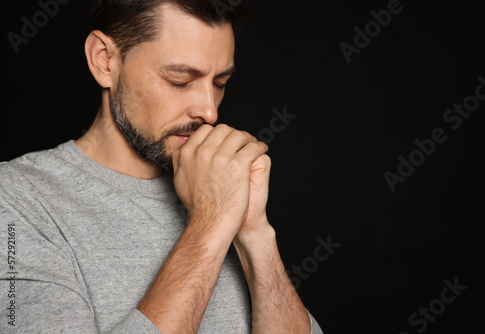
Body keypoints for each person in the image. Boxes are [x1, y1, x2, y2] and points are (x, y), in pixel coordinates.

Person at [0, 0, 323, 333]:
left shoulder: (221, 185)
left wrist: (253, 233)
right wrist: (209, 223)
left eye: (220, 83)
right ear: (104, 60)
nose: (209, 112)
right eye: (180, 81)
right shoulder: (15, 201)